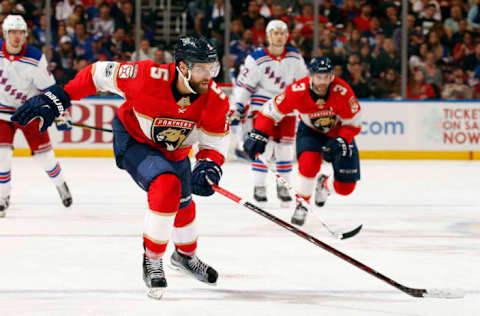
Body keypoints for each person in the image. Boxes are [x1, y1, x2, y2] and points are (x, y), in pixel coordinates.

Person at [11, 34, 229, 300]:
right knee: (166, 187)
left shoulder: (215, 99)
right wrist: (59, 98)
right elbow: (97, 73)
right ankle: (153, 259)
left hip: (175, 151)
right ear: (182, 67)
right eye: (202, 68)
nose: (209, 75)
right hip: (135, 140)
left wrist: (209, 164)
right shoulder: (146, 75)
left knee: (184, 203)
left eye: (212, 68)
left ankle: (185, 257)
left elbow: (214, 141)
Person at [243, 56, 362, 226]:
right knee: (308, 165)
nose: (323, 81)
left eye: (326, 76)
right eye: (319, 77)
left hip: (338, 134)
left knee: (346, 188)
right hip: (311, 132)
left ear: (332, 76)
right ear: (311, 76)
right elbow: (270, 111)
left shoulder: (342, 91)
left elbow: (354, 123)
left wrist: (343, 140)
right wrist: (259, 133)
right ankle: (302, 204)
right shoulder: (297, 91)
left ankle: (325, 185)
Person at [0, 15, 72, 217]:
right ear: (5, 34)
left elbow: (49, 88)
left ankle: (61, 185)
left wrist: (60, 113)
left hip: (29, 112)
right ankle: (3, 198)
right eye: (12, 32)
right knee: (2, 156)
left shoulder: (35, 58)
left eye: (20, 33)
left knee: (45, 157)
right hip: (2, 114)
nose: (17, 37)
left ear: (25, 35)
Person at [229, 19, 308, 203]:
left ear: (287, 35)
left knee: (286, 149)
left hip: (287, 107)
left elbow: (303, 84)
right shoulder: (256, 58)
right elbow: (244, 85)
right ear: (268, 35)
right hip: (262, 107)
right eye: (275, 33)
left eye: (282, 33)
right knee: (262, 146)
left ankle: (283, 185)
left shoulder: (295, 57)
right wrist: (238, 106)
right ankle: (259, 186)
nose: (279, 36)